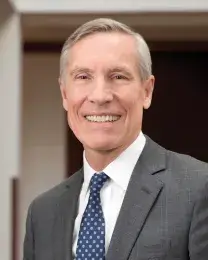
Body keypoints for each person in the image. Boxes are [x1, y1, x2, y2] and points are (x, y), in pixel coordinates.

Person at [23, 18, 208, 260]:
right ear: (65, 94)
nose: (100, 96)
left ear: (147, 91)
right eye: (83, 77)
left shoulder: (198, 188)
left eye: (118, 76)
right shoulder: (42, 212)